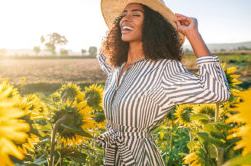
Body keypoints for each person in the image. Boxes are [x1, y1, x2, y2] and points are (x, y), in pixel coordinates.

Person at [95, 0, 231, 165]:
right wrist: (114, 35)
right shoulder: (117, 68)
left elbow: (218, 91)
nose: (126, 19)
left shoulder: (164, 70)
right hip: (112, 158)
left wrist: (193, 34)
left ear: (153, 26)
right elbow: (102, 54)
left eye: (136, 15)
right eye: (123, 15)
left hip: (139, 159)